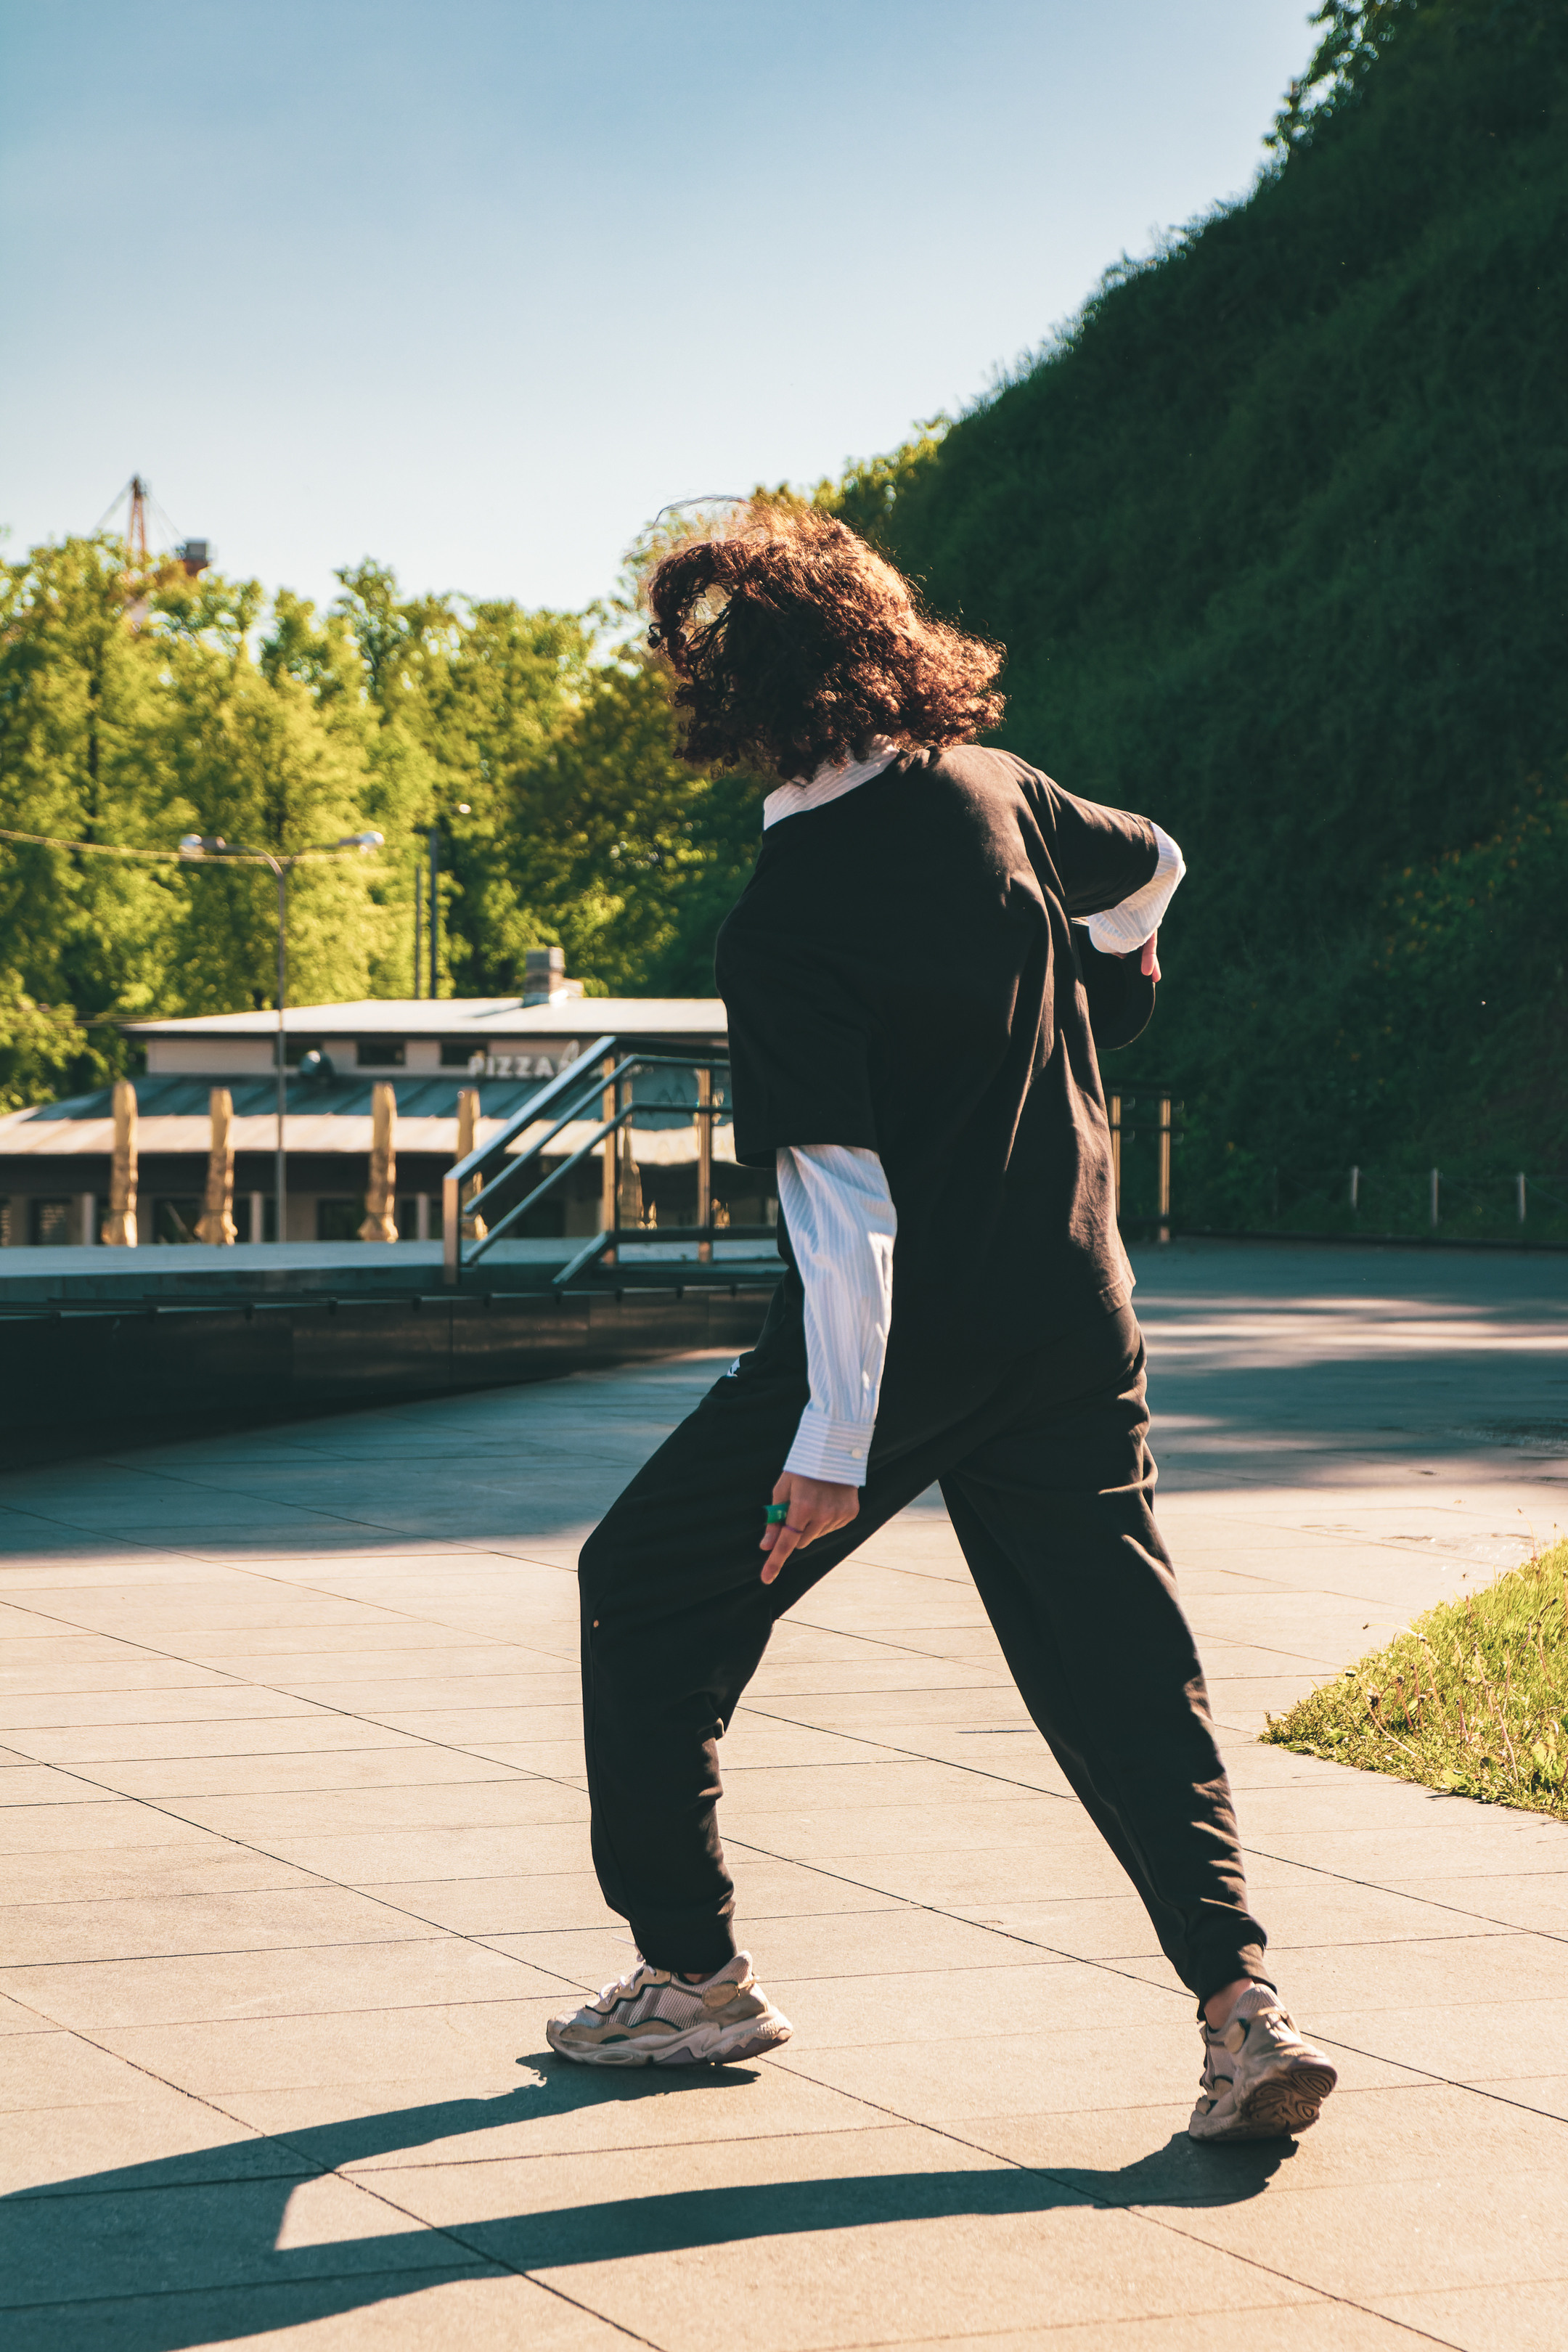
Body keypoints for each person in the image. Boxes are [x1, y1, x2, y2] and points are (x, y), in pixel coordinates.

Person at [544, 502, 1336, 2144]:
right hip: (1073, 1316)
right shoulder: (1000, 791)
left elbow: (847, 1213)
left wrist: (832, 1450)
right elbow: (1157, 867)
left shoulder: (786, 912)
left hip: (899, 1355)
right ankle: (1241, 2010)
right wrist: (1114, 992)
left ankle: (693, 1983)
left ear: (739, 695)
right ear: (878, 640)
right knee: (1120, 1664)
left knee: (641, 1591)